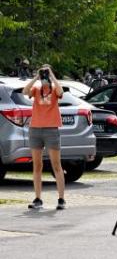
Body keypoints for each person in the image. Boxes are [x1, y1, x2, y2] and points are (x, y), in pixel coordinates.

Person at [22, 64, 66, 210]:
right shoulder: (36, 89)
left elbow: (60, 91)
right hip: (35, 129)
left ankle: (61, 199)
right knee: (37, 165)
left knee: (56, 165)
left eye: (45, 74)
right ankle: (38, 198)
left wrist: (52, 75)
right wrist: (36, 76)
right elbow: (25, 91)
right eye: (44, 74)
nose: (45, 77)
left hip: (51, 129)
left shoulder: (53, 89)